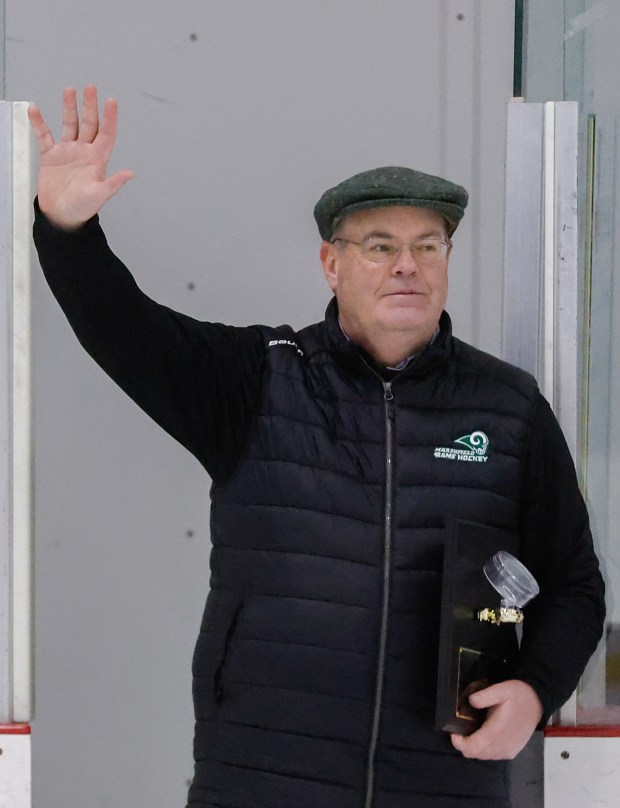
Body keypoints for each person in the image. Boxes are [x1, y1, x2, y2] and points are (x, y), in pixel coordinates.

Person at [29, 86, 605, 808]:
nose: (408, 266)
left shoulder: (507, 407)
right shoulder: (259, 381)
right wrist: (67, 232)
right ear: (331, 265)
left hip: (442, 785)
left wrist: (534, 689)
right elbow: (122, 328)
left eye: (428, 247)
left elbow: (575, 584)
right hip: (262, 780)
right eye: (381, 247)